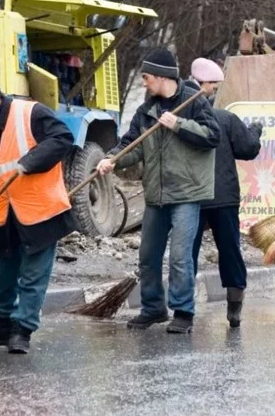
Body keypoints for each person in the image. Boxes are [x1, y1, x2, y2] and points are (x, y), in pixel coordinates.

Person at [96, 49, 220, 334]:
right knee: (148, 255)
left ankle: (183, 312)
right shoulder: (146, 110)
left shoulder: (194, 102)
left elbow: (213, 136)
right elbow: (133, 144)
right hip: (156, 193)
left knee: (179, 255)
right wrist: (112, 160)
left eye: (146, 76)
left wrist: (179, 125)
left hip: (187, 193)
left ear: (163, 77)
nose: (143, 82)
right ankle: (153, 308)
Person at [0, 72, 76, 354]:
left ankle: (22, 330)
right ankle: (1, 326)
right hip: (3, 214)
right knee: (3, 273)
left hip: (40, 210)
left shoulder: (30, 112)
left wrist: (31, 161)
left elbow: (62, 138)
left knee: (33, 275)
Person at [188, 58, 263, 328]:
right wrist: (255, 130)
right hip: (223, 197)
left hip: (191, 197)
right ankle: (234, 308)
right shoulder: (225, 119)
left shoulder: (178, 120)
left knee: (187, 252)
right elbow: (248, 149)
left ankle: (184, 308)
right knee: (229, 249)